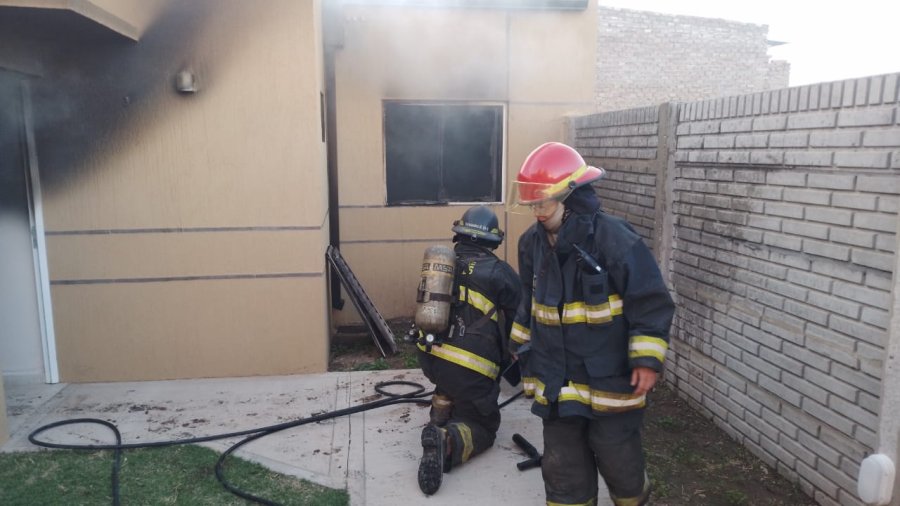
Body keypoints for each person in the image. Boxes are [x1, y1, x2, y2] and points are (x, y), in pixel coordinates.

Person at [508, 142, 675, 506]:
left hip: (609, 382)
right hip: (556, 381)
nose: (536, 211)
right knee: (563, 470)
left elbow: (650, 302)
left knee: (620, 464)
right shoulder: (530, 245)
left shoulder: (615, 239)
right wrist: (519, 348)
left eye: (543, 203)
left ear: (571, 195)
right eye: (532, 204)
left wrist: (647, 360)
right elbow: (528, 301)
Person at [415, 205, 523, 495]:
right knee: (484, 425)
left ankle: (441, 410)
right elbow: (522, 319)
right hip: (470, 366)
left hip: (430, 356)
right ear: (493, 241)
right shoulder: (500, 273)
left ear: (459, 235)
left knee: (452, 379)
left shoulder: (442, 265)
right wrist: (515, 353)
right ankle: (447, 440)